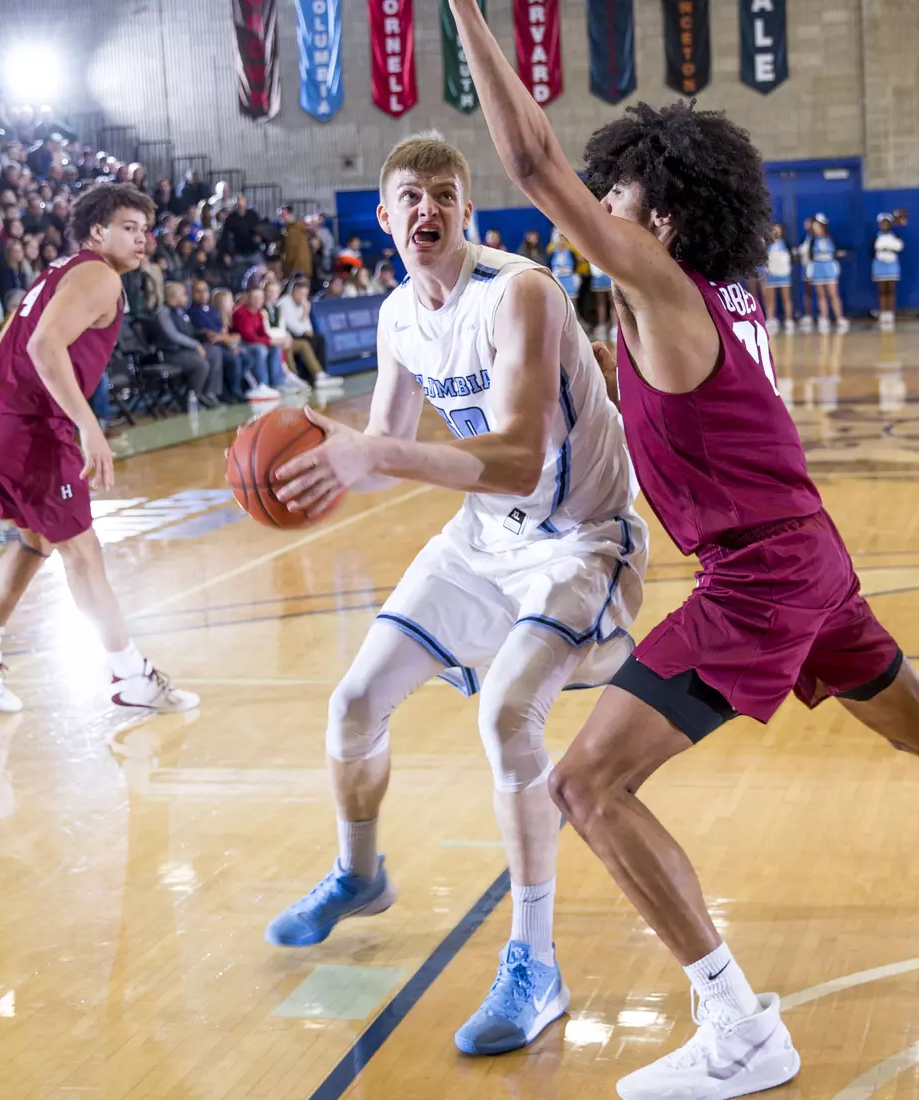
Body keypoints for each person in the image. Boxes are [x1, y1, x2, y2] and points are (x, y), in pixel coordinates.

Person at [447, 8, 919, 1096]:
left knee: (586, 782)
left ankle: (739, 1027)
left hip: (757, 573)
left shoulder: (659, 287)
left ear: (657, 215)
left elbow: (528, 157)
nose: (594, 210)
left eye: (612, 199)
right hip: (808, 559)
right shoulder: (720, 295)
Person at [264, 132, 645, 1058]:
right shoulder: (397, 313)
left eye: (444, 193)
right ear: (386, 218)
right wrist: (310, 459)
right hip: (483, 540)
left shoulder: (519, 292)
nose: (426, 208)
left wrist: (375, 453)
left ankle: (535, 960)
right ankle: (360, 875)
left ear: (465, 211)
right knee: (353, 703)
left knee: (509, 714)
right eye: (409, 196)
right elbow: (386, 439)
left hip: (576, 541)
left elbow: (514, 459)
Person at [0, 182, 194, 715]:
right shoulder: (99, 275)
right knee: (83, 553)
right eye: (129, 228)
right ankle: (130, 676)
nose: (142, 239)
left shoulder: (58, 272)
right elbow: (40, 345)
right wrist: (86, 424)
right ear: (97, 232)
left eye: (145, 230)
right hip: (27, 426)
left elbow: (7, 338)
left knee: (34, 542)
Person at [151, 280, 222, 406]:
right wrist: (196, 345)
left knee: (214, 352)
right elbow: (173, 336)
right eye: (184, 294)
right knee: (201, 364)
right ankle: (192, 398)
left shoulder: (181, 312)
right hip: (171, 353)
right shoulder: (164, 313)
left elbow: (190, 332)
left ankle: (209, 393)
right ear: (175, 296)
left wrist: (204, 334)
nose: (186, 297)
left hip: (187, 350)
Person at [273, 278, 340, 394]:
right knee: (305, 343)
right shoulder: (284, 303)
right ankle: (312, 375)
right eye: (300, 294)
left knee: (319, 339)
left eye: (305, 294)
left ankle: (321, 374)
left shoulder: (303, 303)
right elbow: (295, 328)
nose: (303, 297)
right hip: (288, 336)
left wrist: (304, 315)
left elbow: (308, 329)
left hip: (296, 336)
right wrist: (305, 312)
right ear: (294, 292)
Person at [804, 213, 844, 331]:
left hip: (829, 269)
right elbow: (810, 256)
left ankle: (839, 318)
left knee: (833, 294)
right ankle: (824, 318)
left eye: (819, 227)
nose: (817, 230)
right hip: (817, 269)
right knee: (821, 295)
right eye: (814, 228)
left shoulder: (831, 238)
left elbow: (836, 252)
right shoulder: (811, 240)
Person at [760, 222, 793, 334]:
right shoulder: (767, 246)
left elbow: (791, 259)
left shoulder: (786, 244)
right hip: (771, 276)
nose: (776, 232)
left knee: (786, 298)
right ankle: (771, 319)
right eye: (774, 230)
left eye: (778, 230)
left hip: (784, 276)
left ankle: (789, 319)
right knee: (770, 300)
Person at [870, 213, 902, 330]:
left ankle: (890, 313)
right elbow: (872, 250)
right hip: (880, 266)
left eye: (886, 223)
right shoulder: (875, 237)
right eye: (882, 223)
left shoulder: (895, 236)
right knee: (882, 290)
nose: (884, 225)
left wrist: (889, 248)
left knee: (891, 290)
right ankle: (883, 313)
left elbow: (899, 247)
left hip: (892, 265)